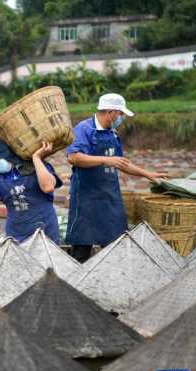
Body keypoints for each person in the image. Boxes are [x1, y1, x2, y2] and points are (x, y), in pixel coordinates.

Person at [66, 93, 168, 262]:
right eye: (120, 114)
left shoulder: (112, 133)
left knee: (115, 248)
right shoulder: (84, 129)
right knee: (81, 249)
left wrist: (148, 174)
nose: (121, 118)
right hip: (86, 198)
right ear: (111, 112)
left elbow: (122, 163)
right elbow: (74, 157)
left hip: (109, 197)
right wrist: (106, 159)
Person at [0, 123, 63, 243]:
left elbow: (48, 187)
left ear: (7, 155)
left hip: (44, 230)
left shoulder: (35, 166)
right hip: (16, 232)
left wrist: (36, 158)